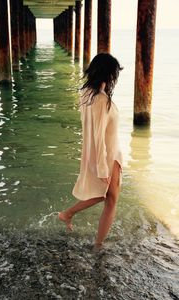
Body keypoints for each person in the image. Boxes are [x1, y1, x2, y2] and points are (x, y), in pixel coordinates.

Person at [58, 53, 123, 249]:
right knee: (110, 200)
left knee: (105, 197)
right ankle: (97, 243)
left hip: (104, 155)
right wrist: (103, 168)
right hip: (109, 156)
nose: (115, 78)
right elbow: (98, 135)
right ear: (108, 74)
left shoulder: (86, 94)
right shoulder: (101, 99)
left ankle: (74, 220)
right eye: (114, 73)